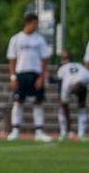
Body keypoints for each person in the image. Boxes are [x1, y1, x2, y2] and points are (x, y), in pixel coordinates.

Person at [6, 13, 53, 142]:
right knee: (18, 102)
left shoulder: (39, 40)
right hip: (21, 73)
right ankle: (15, 131)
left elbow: (45, 60)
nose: (36, 26)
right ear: (28, 23)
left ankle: (39, 132)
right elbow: (12, 59)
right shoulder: (16, 39)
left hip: (35, 74)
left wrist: (42, 77)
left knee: (38, 102)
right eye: (35, 23)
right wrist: (13, 77)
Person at [55, 52, 89, 141]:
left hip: (80, 86)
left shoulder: (85, 76)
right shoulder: (66, 81)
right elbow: (63, 102)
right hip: (68, 84)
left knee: (82, 106)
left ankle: (81, 133)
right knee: (63, 106)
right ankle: (64, 132)